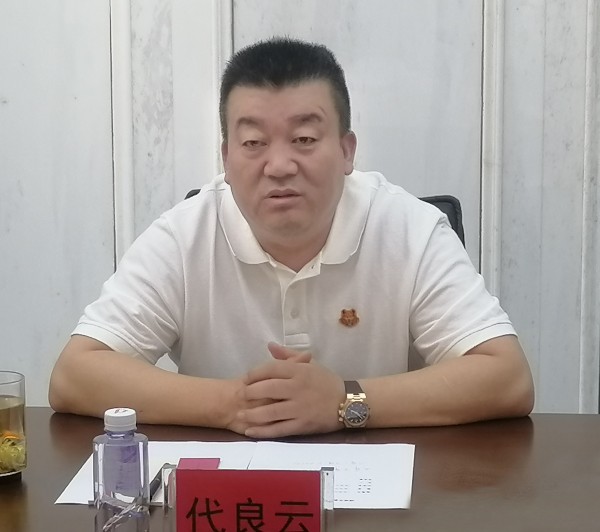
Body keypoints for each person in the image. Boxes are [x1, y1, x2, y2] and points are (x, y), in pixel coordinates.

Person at [49, 37, 534, 438]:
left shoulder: (411, 230)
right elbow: (75, 375)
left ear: (347, 151)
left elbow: (507, 377)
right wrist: (232, 403)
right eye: (253, 143)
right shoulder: (183, 235)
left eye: (304, 139)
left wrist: (345, 400)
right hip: (229, 494)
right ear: (226, 158)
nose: (279, 165)